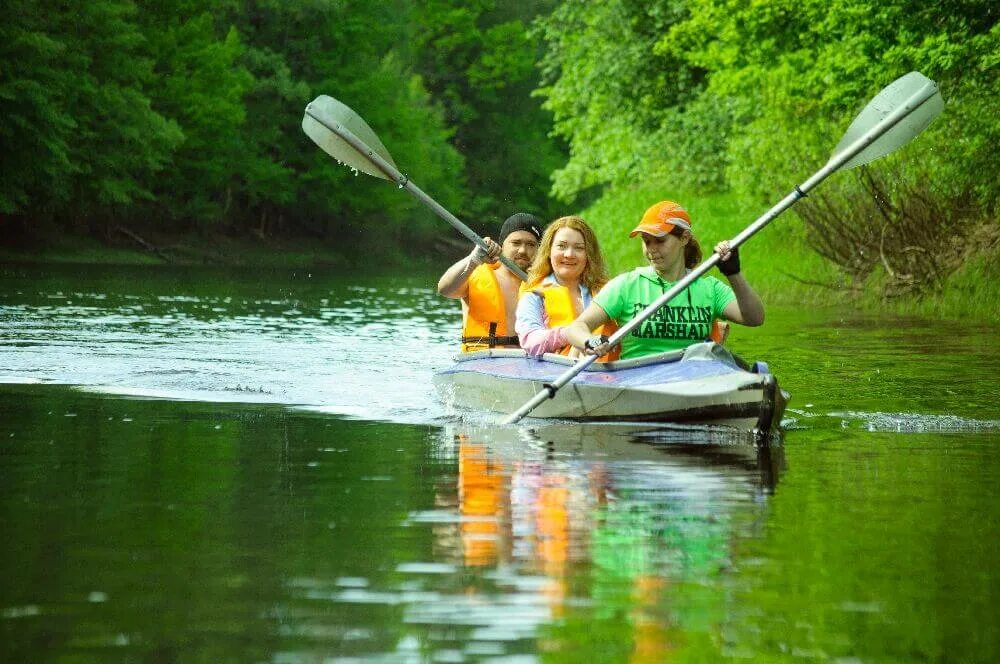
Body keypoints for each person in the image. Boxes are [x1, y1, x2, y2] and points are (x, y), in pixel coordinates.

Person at [562, 200, 764, 360]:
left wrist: (733, 272)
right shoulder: (626, 285)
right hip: (639, 379)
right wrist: (589, 342)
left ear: (684, 238)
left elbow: (755, 318)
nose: (651, 249)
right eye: (646, 241)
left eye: (660, 241)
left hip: (694, 378)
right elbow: (576, 329)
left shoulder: (710, 289)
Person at [514, 216, 618, 361]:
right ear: (549, 251)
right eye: (561, 246)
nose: (569, 254)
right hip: (557, 376)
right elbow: (530, 340)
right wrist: (570, 334)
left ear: (588, 255)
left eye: (579, 248)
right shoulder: (534, 296)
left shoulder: (608, 292)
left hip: (607, 378)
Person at [438, 212, 543, 352]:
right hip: (483, 362)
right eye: (516, 243)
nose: (523, 250)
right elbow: (445, 289)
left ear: (539, 249)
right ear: (502, 245)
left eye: (531, 244)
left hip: (529, 366)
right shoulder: (475, 272)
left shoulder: (545, 285)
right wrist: (473, 259)